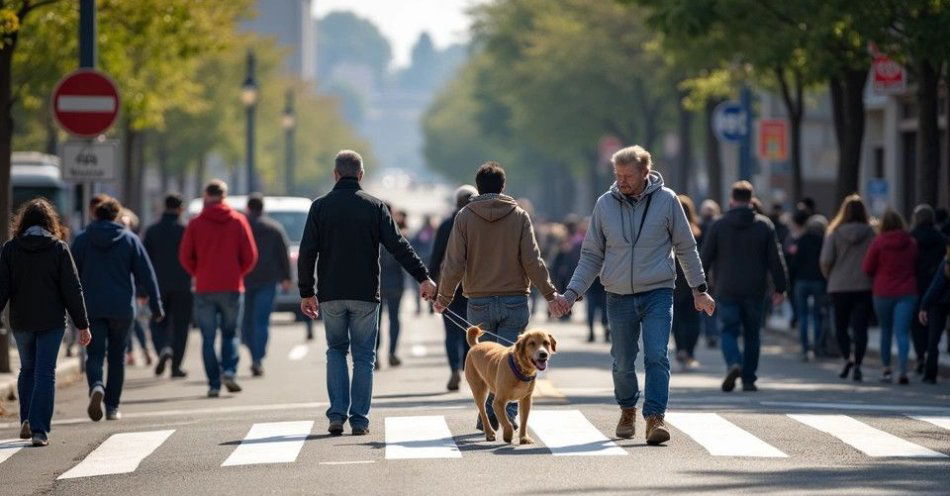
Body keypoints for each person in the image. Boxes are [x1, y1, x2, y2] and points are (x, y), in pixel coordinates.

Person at [560, 146, 714, 445]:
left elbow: (686, 248)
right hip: (618, 294)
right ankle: (627, 408)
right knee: (622, 361)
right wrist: (572, 292)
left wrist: (700, 290)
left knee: (657, 355)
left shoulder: (667, 200)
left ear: (646, 172)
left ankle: (655, 417)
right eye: (618, 175)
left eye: (628, 176)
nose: (621, 181)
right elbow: (591, 255)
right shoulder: (605, 204)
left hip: (658, 291)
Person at [298, 150, 437, 436]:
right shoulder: (375, 207)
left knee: (336, 350)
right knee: (363, 357)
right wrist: (423, 277)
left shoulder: (320, 207)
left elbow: (307, 252)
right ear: (360, 174)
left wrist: (307, 292)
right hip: (365, 292)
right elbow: (398, 245)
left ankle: (337, 414)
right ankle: (359, 419)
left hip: (331, 292)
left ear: (335, 174)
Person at [434, 161, 564, 434]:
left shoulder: (464, 217)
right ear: (503, 186)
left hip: (478, 301)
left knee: (487, 361)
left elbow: (454, 262)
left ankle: (490, 414)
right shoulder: (519, 215)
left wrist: (444, 297)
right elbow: (532, 260)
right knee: (515, 360)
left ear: (478, 187)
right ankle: (507, 413)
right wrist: (550, 294)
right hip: (514, 299)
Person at [0, 199, 91, 446]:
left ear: (23, 222)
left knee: (27, 370)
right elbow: (73, 289)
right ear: (50, 222)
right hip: (51, 321)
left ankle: (26, 419)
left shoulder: (11, 249)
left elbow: (2, 288)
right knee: (45, 372)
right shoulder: (58, 249)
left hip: (21, 321)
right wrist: (82, 324)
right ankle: (39, 429)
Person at [72, 196, 164, 421]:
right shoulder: (129, 239)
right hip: (122, 308)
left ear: (95, 214)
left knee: (94, 354)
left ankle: (96, 385)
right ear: (117, 216)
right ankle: (112, 407)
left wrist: (68, 306)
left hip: (92, 307)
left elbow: (71, 275)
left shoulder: (83, 239)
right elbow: (147, 274)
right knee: (117, 357)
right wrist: (156, 305)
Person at [702, 181, 787, 394]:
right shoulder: (764, 225)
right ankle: (749, 379)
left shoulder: (719, 225)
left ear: (732, 200)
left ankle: (734, 363)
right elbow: (775, 258)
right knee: (752, 333)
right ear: (751, 200)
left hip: (726, 287)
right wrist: (781, 287)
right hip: (755, 289)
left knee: (728, 330)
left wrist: (699, 286)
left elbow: (705, 257)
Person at [180, 180, 258, 397]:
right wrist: (237, 272)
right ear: (224, 196)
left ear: (206, 195)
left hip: (205, 286)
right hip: (232, 286)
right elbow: (250, 256)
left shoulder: (196, 223)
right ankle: (229, 371)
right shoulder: (238, 220)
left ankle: (213, 383)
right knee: (230, 333)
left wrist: (198, 272)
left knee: (207, 337)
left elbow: (185, 256)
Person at [820, 194, 875, 382]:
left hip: (839, 286)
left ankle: (846, 358)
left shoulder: (835, 232)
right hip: (864, 285)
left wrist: (830, 276)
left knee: (841, 326)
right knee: (861, 328)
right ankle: (858, 363)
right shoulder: (871, 233)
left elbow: (826, 259)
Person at [430, 185, 478, 391]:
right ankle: (468, 370)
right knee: (471, 330)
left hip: (449, 286)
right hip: (475, 285)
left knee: (451, 332)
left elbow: (436, 256)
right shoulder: (480, 224)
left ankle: (454, 369)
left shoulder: (446, 225)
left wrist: (431, 282)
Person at [862, 209, 918, 385]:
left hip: (883, 291)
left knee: (885, 331)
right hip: (907, 291)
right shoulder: (911, 242)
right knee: (903, 333)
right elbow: (917, 264)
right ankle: (903, 371)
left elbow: (867, 267)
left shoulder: (878, 242)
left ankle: (886, 369)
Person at [242, 193, 292, 377]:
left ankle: (252, 352)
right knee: (262, 321)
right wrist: (286, 278)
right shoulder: (274, 228)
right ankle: (258, 358)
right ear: (263, 209)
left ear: (248, 208)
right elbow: (283, 254)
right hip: (268, 281)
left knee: (245, 321)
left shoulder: (241, 226)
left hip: (244, 280)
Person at [143, 193, 193, 378]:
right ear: (181, 208)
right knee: (181, 326)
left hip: (157, 286)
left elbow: (143, 261)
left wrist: (142, 288)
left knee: (157, 321)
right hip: (183, 284)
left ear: (164, 207)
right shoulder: (186, 230)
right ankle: (176, 366)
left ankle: (163, 348)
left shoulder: (152, 231)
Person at [909, 205, 945, 376]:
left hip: (915, 284)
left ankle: (920, 357)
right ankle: (931, 359)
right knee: (935, 326)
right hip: (938, 286)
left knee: (917, 324)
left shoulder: (911, 239)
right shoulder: (942, 239)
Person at [672, 194, 704, 371]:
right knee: (693, 319)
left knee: (677, 319)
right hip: (693, 282)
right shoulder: (697, 232)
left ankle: (680, 350)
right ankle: (690, 352)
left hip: (674, 281)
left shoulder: (669, 231)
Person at [790, 216, 827, 360]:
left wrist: (791, 280)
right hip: (818, 280)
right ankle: (817, 347)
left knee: (803, 315)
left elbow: (795, 261)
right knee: (817, 315)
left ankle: (805, 348)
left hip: (802, 280)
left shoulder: (803, 239)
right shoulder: (824, 241)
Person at [377, 206, 409, 368]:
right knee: (394, 319)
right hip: (396, 284)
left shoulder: (372, 234)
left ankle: (375, 356)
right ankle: (392, 353)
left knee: (375, 321)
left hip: (377, 285)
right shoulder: (398, 234)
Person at [918, 245, 949, 384]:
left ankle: (930, 374)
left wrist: (924, 305)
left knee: (933, 340)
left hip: (939, 302)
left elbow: (937, 283)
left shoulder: (947, 260)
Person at [699, 199, 722, 348]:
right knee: (716, 304)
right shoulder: (721, 226)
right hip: (718, 271)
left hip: (705, 271)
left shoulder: (700, 227)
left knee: (706, 303)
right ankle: (714, 333)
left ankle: (710, 333)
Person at [411, 216, 437, 315]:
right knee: (430, 286)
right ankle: (430, 307)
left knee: (418, 287)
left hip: (422, 261)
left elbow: (414, 244)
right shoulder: (432, 232)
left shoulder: (421, 232)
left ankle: (420, 308)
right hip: (430, 262)